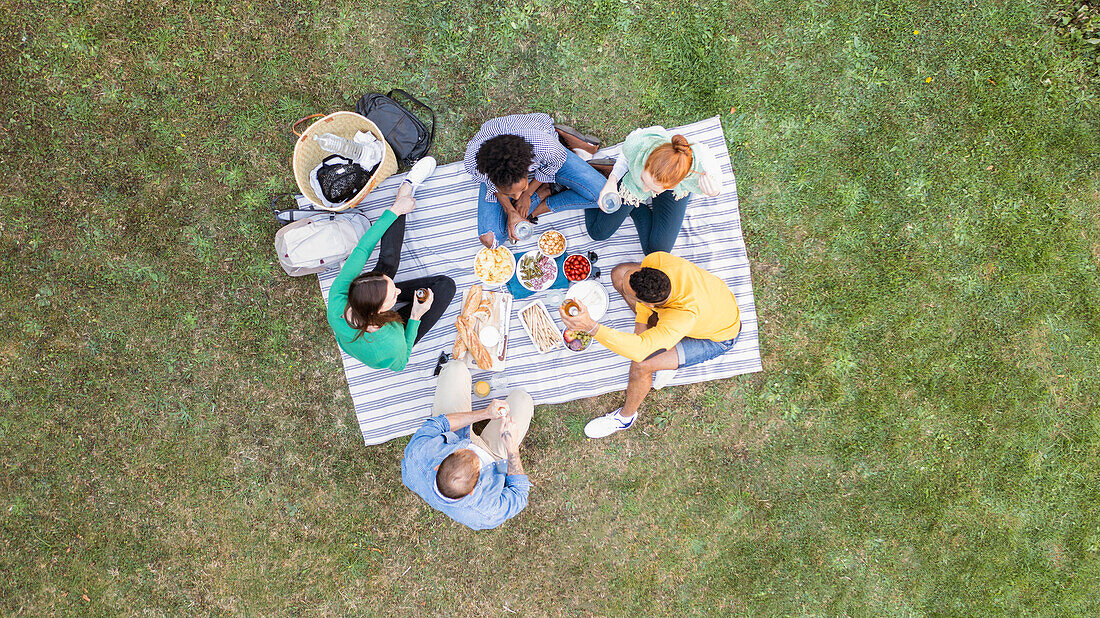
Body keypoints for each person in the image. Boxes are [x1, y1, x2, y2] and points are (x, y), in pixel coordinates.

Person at [559, 252, 741, 438]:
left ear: (650, 304)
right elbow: (635, 295)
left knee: (642, 365)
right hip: (708, 306)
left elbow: (639, 353)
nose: (625, 290)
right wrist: (641, 322)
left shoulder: (681, 318)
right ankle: (662, 347)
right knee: (619, 275)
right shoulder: (659, 260)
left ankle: (625, 418)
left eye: (639, 301)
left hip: (717, 338)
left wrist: (591, 327)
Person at [326, 157, 456, 371]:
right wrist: (415, 315)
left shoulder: (338, 296)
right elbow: (401, 362)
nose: (398, 289)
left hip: (368, 319)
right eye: (392, 296)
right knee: (446, 286)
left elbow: (362, 249)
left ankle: (405, 191)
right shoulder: (390, 343)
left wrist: (396, 210)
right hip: (395, 336)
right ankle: (413, 309)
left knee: (387, 264)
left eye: (389, 284)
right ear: (379, 311)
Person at [401, 360, 534, 530]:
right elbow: (520, 494)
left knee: (456, 368)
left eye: (461, 452)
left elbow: (438, 424)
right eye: (477, 464)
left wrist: (485, 413)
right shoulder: (486, 513)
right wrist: (511, 447)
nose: (473, 449)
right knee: (522, 399)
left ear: (438, 465)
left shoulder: (418, 456)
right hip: (495, 456)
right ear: (473, 490)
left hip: (457, 434)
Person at [464, 113, 608, 247]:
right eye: (510, 194)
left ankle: (545, 190)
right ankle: (547, 190)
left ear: (529, 167)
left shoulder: (545, 147)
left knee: (603, 197)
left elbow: (553, 163)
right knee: (491, 240)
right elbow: (491, 185)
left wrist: (528, 195)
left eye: (521, 189)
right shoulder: (474, 163)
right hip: (492, 143)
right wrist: (511, 211)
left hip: (543, 138)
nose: (516, 197)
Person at [585, 127, 726, 255]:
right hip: (635, 180)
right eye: (644, 180)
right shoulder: (641, 143)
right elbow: (626, 155)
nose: (644, 190)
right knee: (598, 232)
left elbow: (718, 185)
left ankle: (636, 206)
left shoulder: (703, 167)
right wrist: (612, 180)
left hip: (675, 191)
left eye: (651, 188)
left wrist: (714, 191)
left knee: (656, 253)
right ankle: (597, 177)